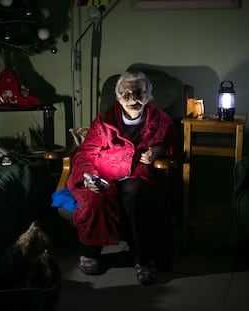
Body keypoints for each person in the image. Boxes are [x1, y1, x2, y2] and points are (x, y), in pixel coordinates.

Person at [67, 71, 177, 285]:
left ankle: (143, 259)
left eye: (139, 93)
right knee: (95, 196)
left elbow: (172, 144)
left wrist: (158, 150)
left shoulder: (161, 120)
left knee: (136, 194)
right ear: (117, 97)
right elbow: (86, 153)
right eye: (126, 94)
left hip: (137, 176)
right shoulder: (104, 120)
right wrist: (89, 176)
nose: (133, 99)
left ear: (149, 95)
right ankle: (89, 252)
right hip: (104, 173)